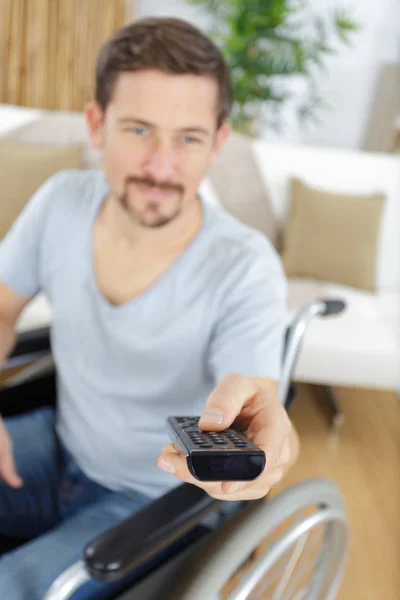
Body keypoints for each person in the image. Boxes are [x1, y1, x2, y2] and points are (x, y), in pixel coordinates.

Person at [0, 17, 299, 599]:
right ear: (97, 124)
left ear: (217, 144)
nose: (161, 167)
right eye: (138, 129)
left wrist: (268, 442)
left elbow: (256, 396)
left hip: (151, 496)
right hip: (59, 446)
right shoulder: (61, 200)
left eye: (188, 137)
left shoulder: (244, 265)